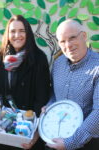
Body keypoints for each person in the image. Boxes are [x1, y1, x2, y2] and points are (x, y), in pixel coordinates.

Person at [0, 15, 51, 150]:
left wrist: (35, 132)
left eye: (21, 31)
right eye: (12, 31)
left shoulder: (39, 58)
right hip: (0, 127)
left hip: (25, 130)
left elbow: (42, 97)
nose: (17, 35)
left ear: (28, 33)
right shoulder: (0, 56)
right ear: (8, 34)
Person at [44, 19, 99, 150]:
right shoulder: (58, 64)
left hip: (87, 143)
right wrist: (50, 105)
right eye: (62, 41)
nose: (68, 45)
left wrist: (70, 143)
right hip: (56, 137)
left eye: (72, 38)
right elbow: (54, 93)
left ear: (84, 36)